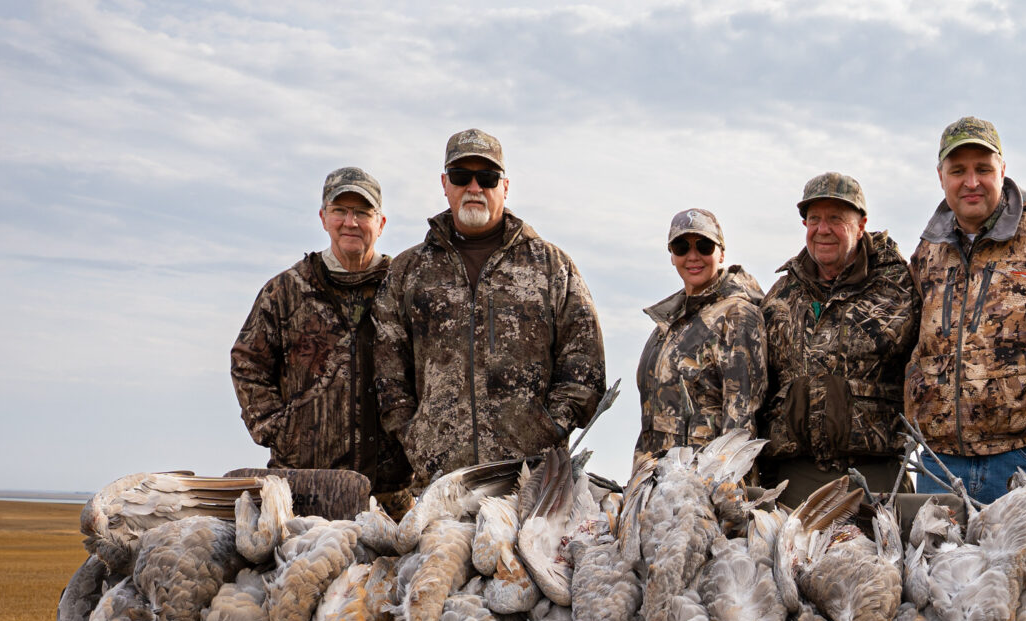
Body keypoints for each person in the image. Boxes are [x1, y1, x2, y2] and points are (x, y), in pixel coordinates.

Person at [374, 129, 608, 483]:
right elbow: (388, 375)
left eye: (487, 177)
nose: (474, 187)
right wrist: (418, 437)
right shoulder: (409, 272)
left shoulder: (551, 266)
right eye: (461, 176)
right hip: (440, 485)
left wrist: (548, 431)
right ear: (444, 183)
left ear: (505, 186)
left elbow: (585, 364)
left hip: (530, 485)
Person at [905, 116, 1026, 504]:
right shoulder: (928, 250)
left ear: (1003, 171)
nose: (971, 182)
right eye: (958, 170)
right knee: (936, 566)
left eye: (983, 169)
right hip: (942, 465)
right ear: (940, 177)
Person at [230, 166, 409, 493]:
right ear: (323, 217)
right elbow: (247, 363)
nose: (350, 222)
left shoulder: (403, 287)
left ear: (380, 223)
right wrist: (281, 431)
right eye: (340, 211)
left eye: (362, 212)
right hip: (305, 487)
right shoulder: (284, 291)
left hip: (391, 491)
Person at [759, 173, 917, 501]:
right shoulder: (780, 296)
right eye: (814, 219)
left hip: (875, 474)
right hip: (796, 475)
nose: (823, 229)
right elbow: (763, 387)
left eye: (836, 218)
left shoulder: (900, 286)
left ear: (861, 225)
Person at [636, 209, 768, 459]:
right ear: (672, 256)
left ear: (721, 254)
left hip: (704, 484)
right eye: (681, 247)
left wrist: (722, 487)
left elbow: (741, 418)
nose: (693, 256)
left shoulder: (737, 314)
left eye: (705, 246)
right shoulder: (668, 324)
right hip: (660, 480)